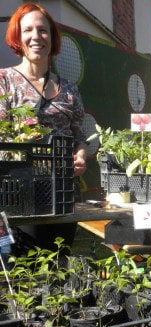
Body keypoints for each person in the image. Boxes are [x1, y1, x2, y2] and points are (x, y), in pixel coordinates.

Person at [0, 3, 87, 251]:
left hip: (62, 192)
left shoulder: (69, 89)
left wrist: (80, 155)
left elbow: (80, 136)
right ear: (18, 37)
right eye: (28, 30)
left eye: (43, 30)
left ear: (52, 37)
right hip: (20, 194)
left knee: (59, 261)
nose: (36, 36)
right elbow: (3, 140)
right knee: (23, 269)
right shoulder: (5, 81)